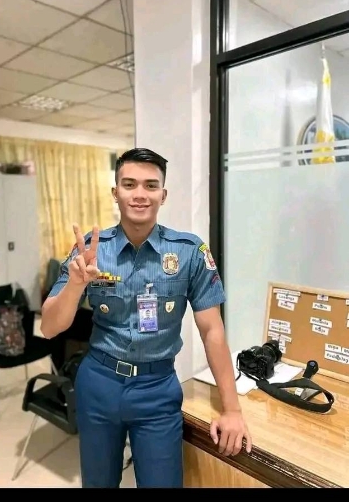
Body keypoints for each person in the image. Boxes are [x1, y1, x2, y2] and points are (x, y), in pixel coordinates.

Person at [41, 148, 252, 488]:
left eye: (150, 185)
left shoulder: (188, 251)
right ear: (116, 192)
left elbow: (212, 330)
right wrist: (75, 285)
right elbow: (50, 327)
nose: (140, 194)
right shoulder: (91, 251)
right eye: (129, 184)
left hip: (157, 388)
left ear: (163, 195)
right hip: (99, 382)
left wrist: (232, 410)